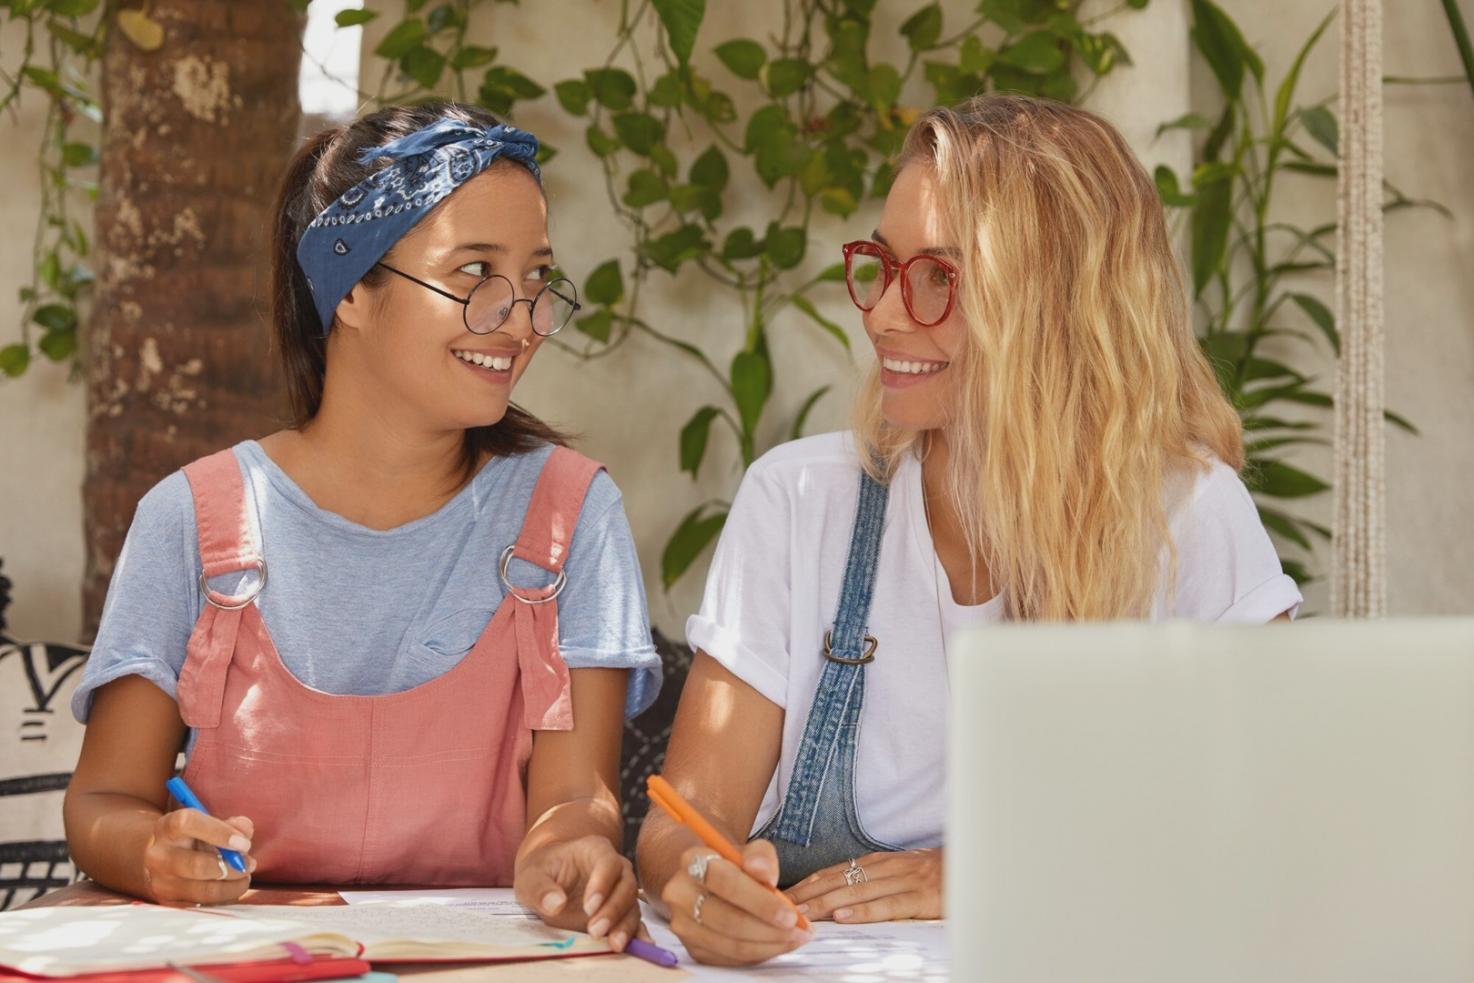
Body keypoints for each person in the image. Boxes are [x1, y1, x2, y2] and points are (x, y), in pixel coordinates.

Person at [636, 93, 1302, 966]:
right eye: (882, 263)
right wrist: (698, 884)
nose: (881, 313)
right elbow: (681, 825)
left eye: (940, 278)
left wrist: (1002, 869)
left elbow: (1279, 842)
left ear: (1062, 304)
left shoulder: (1188, 517)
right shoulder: (798, 500)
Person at [64, 102, 658, 952]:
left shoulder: (572, 516)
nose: (522, 320)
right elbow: (102, 802)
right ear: (349, 288)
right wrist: (151, 850)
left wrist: (571, 854)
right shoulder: (192, 518)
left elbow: (576, 801)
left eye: (535, 280)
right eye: (475, 274)